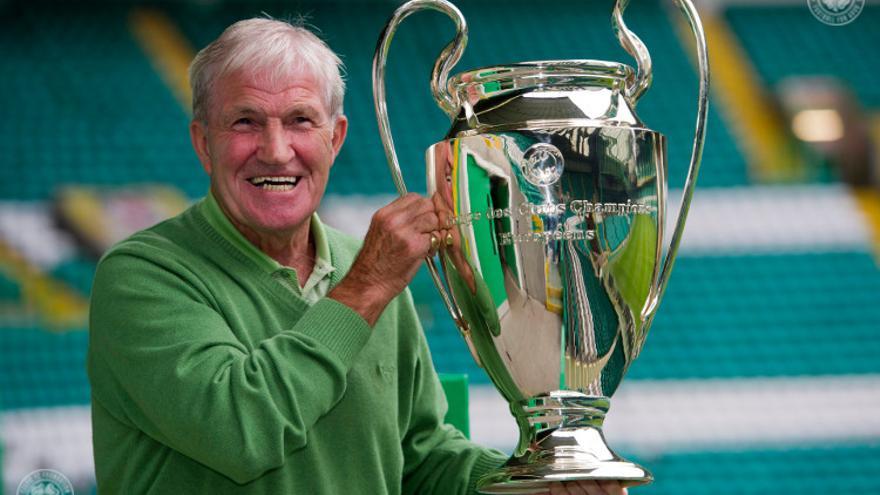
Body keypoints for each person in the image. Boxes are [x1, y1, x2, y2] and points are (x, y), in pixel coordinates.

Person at [87, 17, 628, 495]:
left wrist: (524, 486)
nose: (276, 150)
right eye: (246, 122)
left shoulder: (366, 267)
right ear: (203, 142)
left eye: (300, 120)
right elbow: (240, 432)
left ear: (336, 138)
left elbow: (418, 459)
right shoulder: (142, 274)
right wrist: (367, 286)